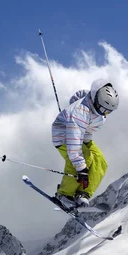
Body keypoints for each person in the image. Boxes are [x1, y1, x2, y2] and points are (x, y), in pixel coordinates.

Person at [51, 79, 119, 208]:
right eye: (103, 109)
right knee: (83, 158)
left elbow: (80, 95)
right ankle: (65, 194)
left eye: (108, 111)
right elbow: (74, 147)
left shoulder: (93, 100)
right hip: (64, 137)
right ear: (96, 100)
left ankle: (83, 193)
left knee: (101, 161)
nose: (104, 113)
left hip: (83, 136)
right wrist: (81, 169)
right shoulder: (80, 113)